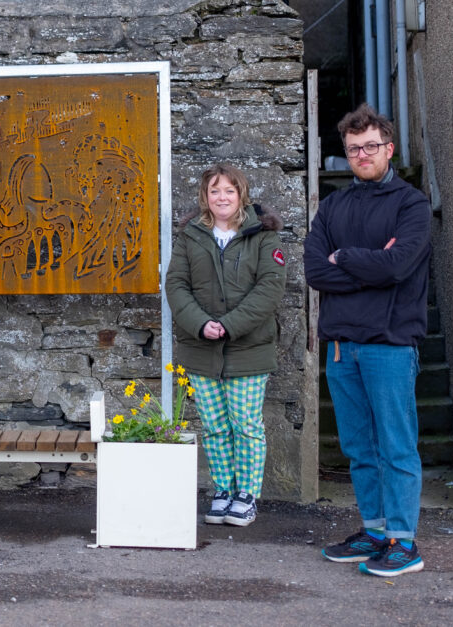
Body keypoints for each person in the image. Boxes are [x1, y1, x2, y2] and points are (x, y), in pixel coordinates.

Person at [306, 104, 431, 577]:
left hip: (390, 345)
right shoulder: (333, 206)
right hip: (341, 346)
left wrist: (346, 259)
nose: (362, 154)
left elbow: (398, 267)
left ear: (389, 149)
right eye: (354, 148)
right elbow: (316, 270)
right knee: (359, 447)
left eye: (371, 146)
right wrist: (366, 265)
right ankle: (375, 531)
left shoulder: (411, 205)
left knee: (396, 446)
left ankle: (403, 542)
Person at [165, 163, 286, 528]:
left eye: (229, 191)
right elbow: (176, 286)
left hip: (249, 348)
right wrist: (202, 324)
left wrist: (229, 326)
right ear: (205, 196)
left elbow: (270, 289)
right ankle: (223, 490)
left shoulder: (263, 236)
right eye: (215, 191)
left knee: (246, 425)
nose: (222, 197)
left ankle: (246, 495)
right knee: (215, 425)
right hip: (201, 348)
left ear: (241, 195)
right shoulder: (190, 236)